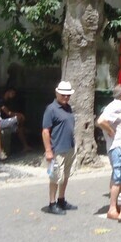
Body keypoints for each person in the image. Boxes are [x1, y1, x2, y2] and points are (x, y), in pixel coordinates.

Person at [96, 84, 121, 221]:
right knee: (118, 178)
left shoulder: (119, 106)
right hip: (118, 146)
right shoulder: (116, 105)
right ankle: (112, 208)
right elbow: (100, 121)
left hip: (120, 146)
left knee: (118, 177)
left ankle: (116, 206)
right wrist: (111, 131)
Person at [42, 81, 77, 214]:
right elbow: (45, 131)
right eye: (63, 95)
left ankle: (61, 200)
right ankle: (52, 203)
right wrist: (48, 150)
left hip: (69, 147)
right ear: (57, 93)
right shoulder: (51, 109)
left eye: (68, 95)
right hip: (57, 149)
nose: (66, 97)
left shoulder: (68, 107)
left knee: (65, 175)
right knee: (56, 177)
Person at [0, 87, 31, 152]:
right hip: (0, 121)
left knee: (19, 129)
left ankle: (25, 146)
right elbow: (8, 113)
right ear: (8, 91)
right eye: (13, 93)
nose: (14, 95)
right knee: (20, 118)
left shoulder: (9, 101)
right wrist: (19, 115)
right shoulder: (0, 101)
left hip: (7, 120)